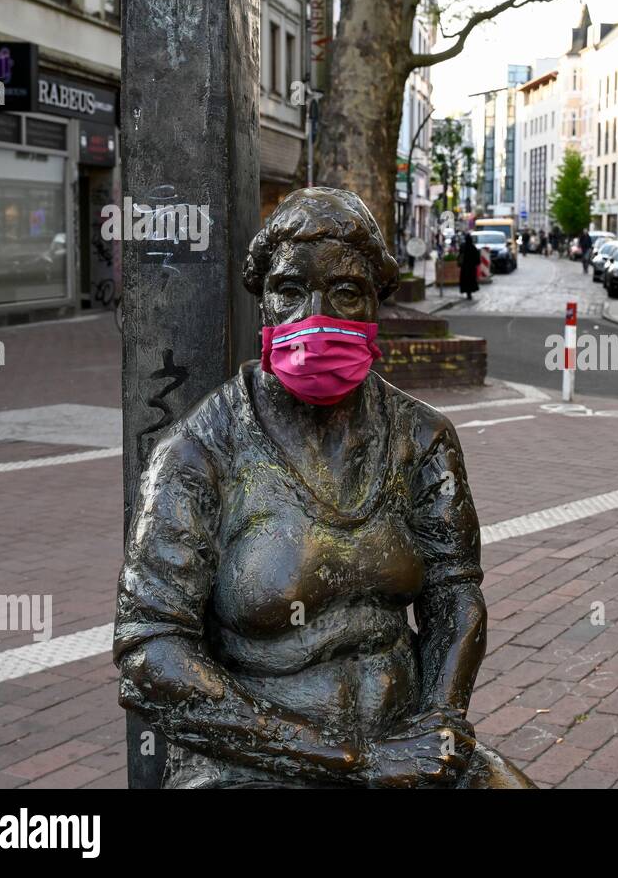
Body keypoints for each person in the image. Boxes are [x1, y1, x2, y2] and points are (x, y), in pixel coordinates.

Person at [114, 188, 532, 788]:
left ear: (374, 307)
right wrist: (353, 764)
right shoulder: (199, 453)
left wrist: (441, 722)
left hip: (405, 743)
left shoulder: (422, 439)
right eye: (289, 291)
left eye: (344, 293)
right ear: (263, 306)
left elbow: (453, 595)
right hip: (252, 766)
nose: (315, 315)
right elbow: (147, 653)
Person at [458, 231, 480, 300]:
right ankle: (469, 293)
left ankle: (467, 292)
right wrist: (476, 263)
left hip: (464, 267)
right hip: (471, 268)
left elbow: (460, 255)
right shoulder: (473, 247)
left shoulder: (463, 246)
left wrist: (459, 263)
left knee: (465, 280)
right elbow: (477, 257)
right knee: (471, 281)